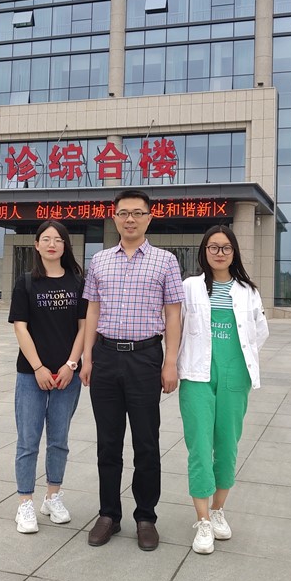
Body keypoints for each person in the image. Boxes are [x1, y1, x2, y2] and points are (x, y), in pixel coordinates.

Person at [80, 189, 184, 551]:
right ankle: (108, 514)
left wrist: (170, 362)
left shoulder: (165, 261)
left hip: (145, 358)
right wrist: (87, 357)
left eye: (138, 213)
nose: (130, 219)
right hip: (106, 356)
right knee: (108, 443)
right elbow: (92, 311)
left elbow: (174, 314)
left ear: (149, 218)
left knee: (146, 442)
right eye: (124, 213)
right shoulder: (99, 260)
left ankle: (145, 517)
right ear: (114, 218)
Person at [177, 225, 269, 554]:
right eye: (213, 247)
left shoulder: (248, 291)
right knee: (200, 447)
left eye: (226, 248)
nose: (219, 253)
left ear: (234, 253)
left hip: (235, 374)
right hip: (197, 375)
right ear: (204, 251)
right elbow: (175, 326)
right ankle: (202, 520)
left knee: (227, 445)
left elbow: (259, 331)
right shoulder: (190, 287)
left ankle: (217, 510)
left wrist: (239, 362)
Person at [7, 220, 87, 534]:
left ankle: (53, 496)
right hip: (31, 376)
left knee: (59, 440)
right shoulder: (26, 282)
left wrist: (71, 364)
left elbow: (84, 327)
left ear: (65, 246)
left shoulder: (78, 282)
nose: (52, 244)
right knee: (28, 441)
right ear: (37, 245)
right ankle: (25, 502)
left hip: (67, 375)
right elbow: (20, 327)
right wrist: (39, 368)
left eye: (58, 239)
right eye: (46, 239)